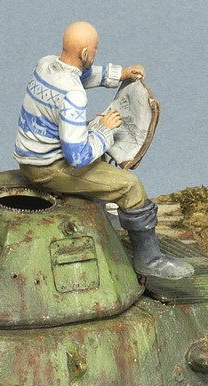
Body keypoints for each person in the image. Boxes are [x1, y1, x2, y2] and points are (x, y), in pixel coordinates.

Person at [13, 21, 193, 280]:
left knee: (93, 135)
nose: (97, 52)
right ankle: (149, 259)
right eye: (95, 49)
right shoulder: (73, 95)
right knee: (131, 186)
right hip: (48, 168)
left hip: (31, 155)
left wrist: (122, 74)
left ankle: (101, 216)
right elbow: (77, 157)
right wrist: (105, 130)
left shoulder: (46, 65)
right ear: (85, 53)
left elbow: (83, 75)